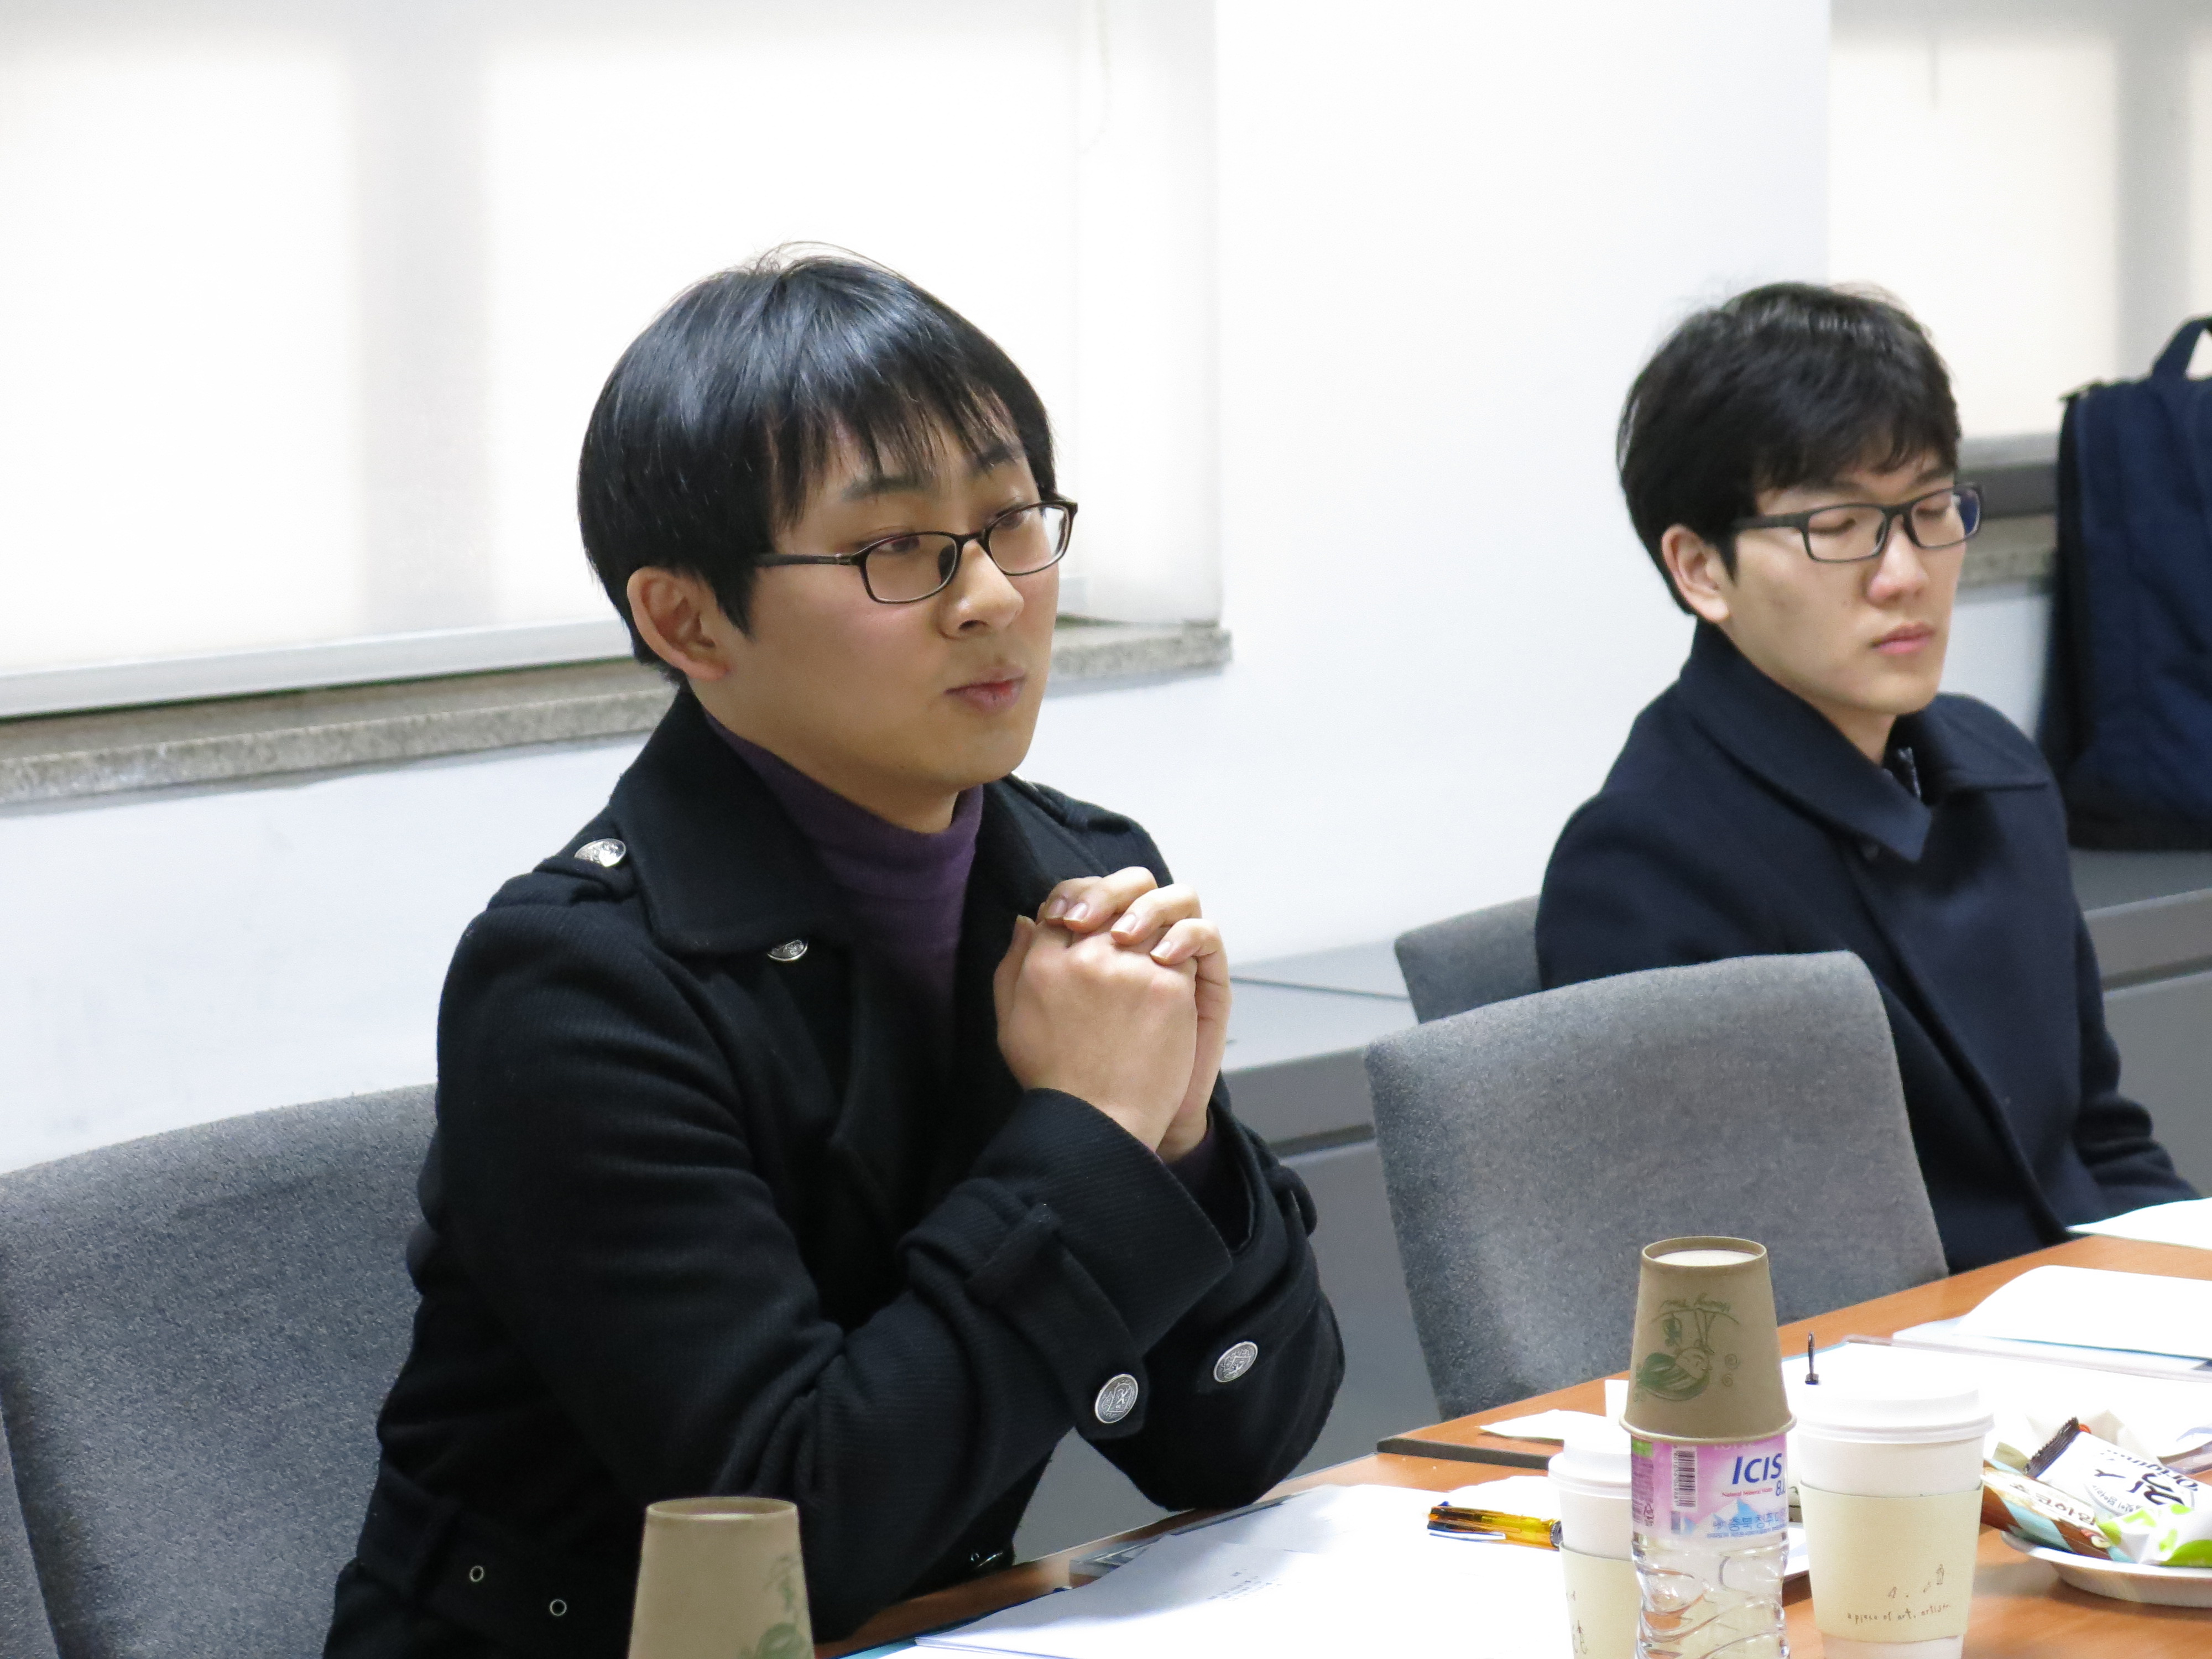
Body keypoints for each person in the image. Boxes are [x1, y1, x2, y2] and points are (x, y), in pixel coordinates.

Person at [324, 253, 1343, 1658]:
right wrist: (1093, 1133)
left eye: (1011, 522)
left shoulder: (1077, 877)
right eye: (899, 550)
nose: (989, 596)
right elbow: (791, 1539)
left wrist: (1175, 1153)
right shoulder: (572, 987)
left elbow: (1235, 1447)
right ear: (687, 620)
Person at [1537, 282, 2195, 1273]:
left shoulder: (1998, 773)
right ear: (1701, 569)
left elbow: (2099, 1142)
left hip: (2079, 1332)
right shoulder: (1645, 865)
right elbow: (1716, 1284)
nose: (1904, 574)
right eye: (1839, 527)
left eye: (1930, 509)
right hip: (1886, 1357)